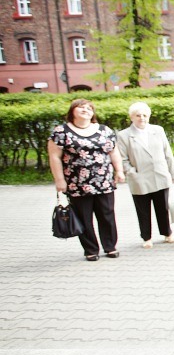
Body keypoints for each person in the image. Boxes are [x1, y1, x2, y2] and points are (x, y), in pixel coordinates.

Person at [48, 99, 125, 261]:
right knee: (84, 217)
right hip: (77, 183)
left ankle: (110, 246)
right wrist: (59, 180)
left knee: (107, 215)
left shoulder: (104, 130)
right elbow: (54, 157)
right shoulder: (61, 131)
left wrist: (119, 171)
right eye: (81, 107)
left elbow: (113, 152)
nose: (86, 110)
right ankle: (91, 249)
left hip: (103, 182)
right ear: (72, 111)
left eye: (89, 108)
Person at [117, 102, 174, 248]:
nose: (142, 118)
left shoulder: (158, 130)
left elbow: (167, 152)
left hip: (160, 175)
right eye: (138, 115)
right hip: (140, 178)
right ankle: (146, 237)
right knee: (143, 210)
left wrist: (173, 174)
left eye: (145, 115)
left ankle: (167, 233)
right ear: (132, 117)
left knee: (163, 208)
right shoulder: (124, 135)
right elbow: (123, 158)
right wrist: (133, 173)